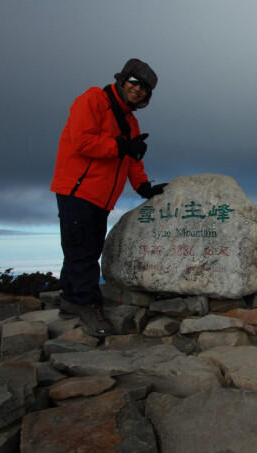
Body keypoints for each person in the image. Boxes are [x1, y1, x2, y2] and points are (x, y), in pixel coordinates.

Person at [50, 58, 166, 337]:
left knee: (83, 249)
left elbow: (132, 160)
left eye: (145, 88)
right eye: (135, 82)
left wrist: (144, 187)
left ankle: (69, 299)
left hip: (101, 198)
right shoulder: (92, 99)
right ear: (123, 79)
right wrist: (120, 145)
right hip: (77, 190)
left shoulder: (131, 122)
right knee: (83, 251)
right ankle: (86, 305)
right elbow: (83, 141)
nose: (138, 90)